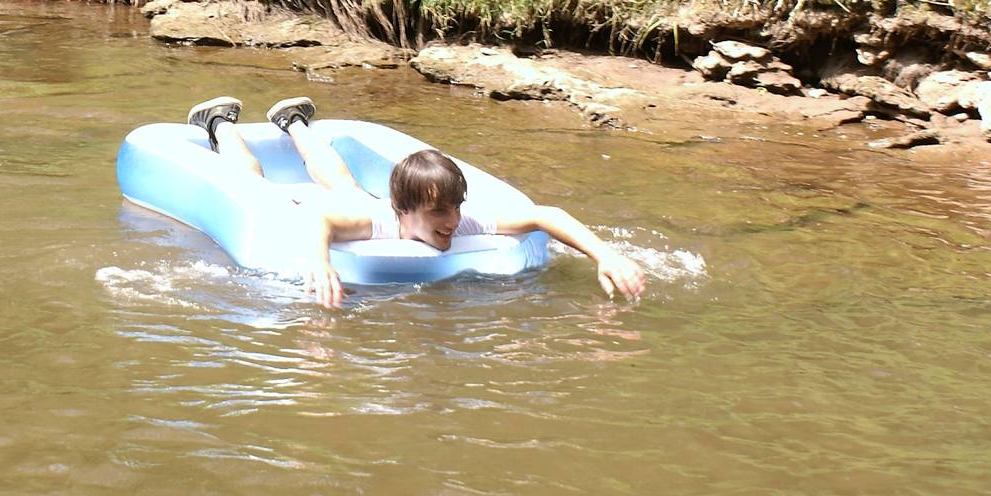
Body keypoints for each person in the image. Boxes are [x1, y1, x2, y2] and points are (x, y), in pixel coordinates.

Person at [186, 95, 647, 309]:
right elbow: (320, 220)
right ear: (405, 212)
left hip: (355, 199)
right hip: (302, 210)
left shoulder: (461, 223)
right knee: (256, 184)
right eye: (439, 212)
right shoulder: (373, 221)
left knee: (342, 182)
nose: (452, 221)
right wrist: (322, 265)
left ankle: (292, 122)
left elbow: (547, 214)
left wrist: (605, 255)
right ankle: (219, 124)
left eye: (455, 207)